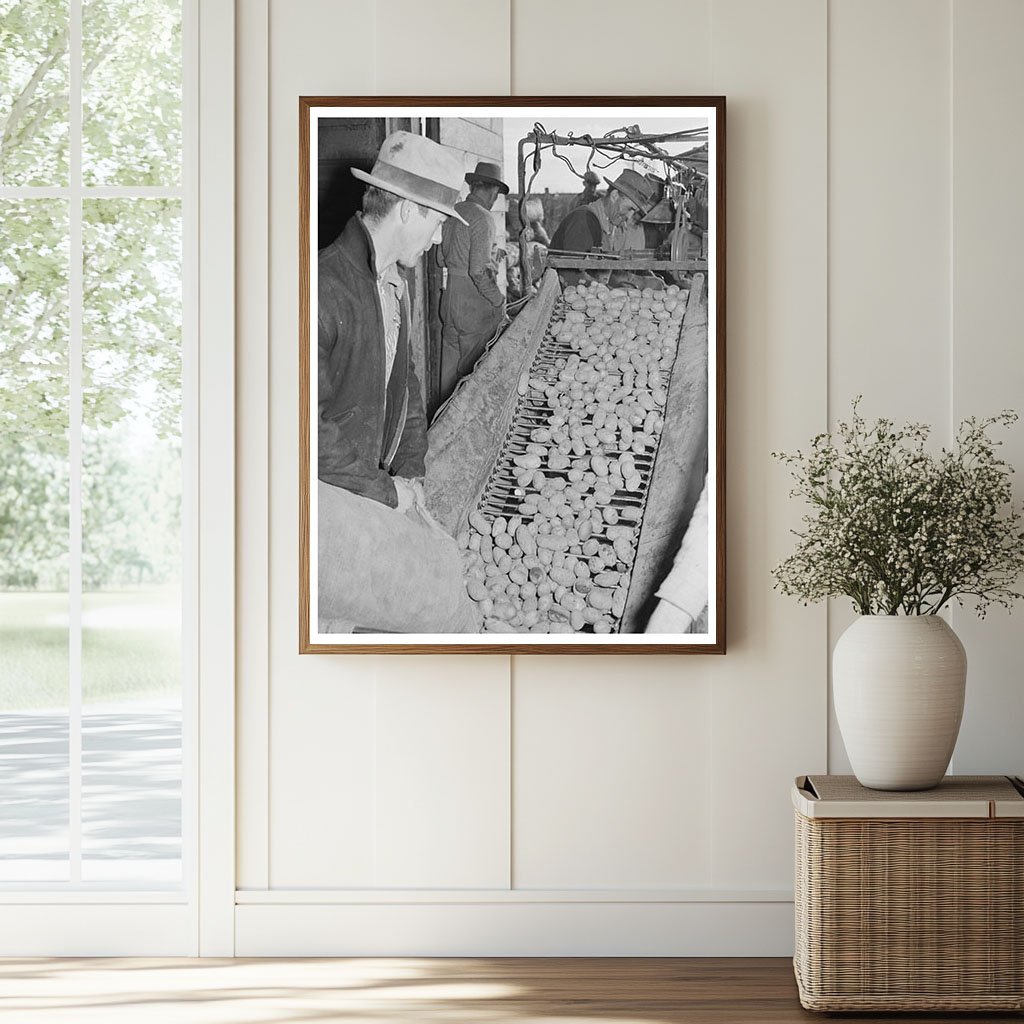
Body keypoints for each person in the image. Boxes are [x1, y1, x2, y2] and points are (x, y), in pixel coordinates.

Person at [317, 130, 480, 634]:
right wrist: (386, 492)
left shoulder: (393, 283)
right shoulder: (322, 289)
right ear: (408, 211)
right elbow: (302, 433)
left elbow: (405, 385)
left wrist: (410, 472)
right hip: (329, 508)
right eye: (436, 223)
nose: (438, 240)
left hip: (369, 491)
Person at [438, 160, 509, 405]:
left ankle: (438, 426)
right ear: (491, 190)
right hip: (473, 305)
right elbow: (478, 270)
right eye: (496, 195)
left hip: (450, 300)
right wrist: (498, 300)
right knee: (474, 375)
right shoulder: (484, 218)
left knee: (447, 374)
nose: (494, 200)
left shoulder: (453, 211)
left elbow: (439, 258)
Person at [549, 168, 659, 284]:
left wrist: (639, 281)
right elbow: (572, 276)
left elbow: (604, 272)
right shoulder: (583, 220)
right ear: (614, 196)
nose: (629, 216)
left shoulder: (609, 226)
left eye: (634, 212)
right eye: (630, 209)